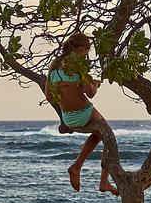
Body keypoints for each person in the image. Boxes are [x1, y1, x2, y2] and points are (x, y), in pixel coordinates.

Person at [47, 32, 115, 193]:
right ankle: (104, 182)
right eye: (87, 51)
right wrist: (95, 84)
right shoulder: (79, 66)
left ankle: (77, 167)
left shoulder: (54, 66)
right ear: (83, 49)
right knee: (108, 137)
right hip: (83, 112)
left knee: (98, 134)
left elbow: (49, 96)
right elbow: (90, 93)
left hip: (67, 118)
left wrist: (67, 89)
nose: (86, 55)